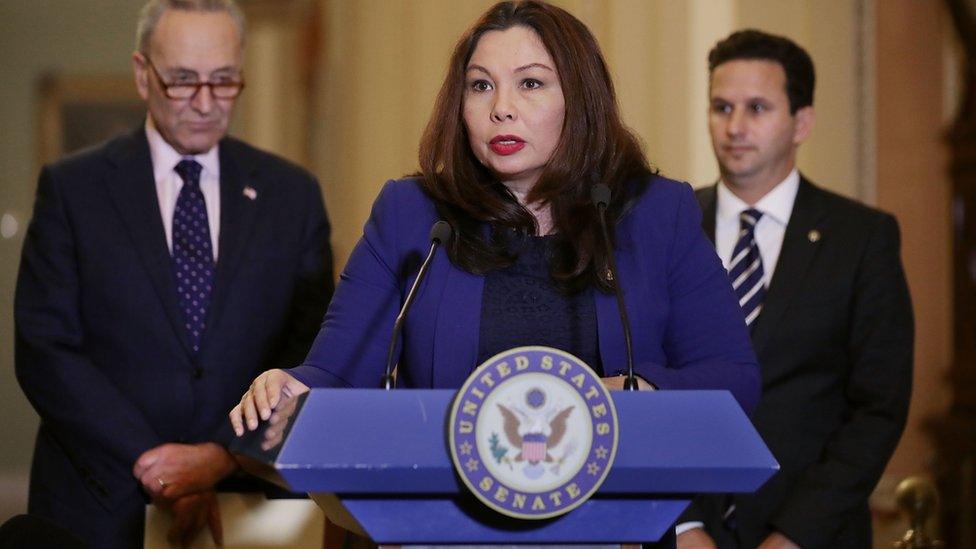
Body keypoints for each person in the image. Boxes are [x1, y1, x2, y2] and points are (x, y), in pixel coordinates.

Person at [232, 0, 760, 544]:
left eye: (530, 84)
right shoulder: (413, 215)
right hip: (444, 532)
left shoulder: (655, 213)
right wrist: (289, 388)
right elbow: (337, 374)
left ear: (580, 99)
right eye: (480, 86)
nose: (501, 108)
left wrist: (632, 389)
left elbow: (733, 377)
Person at [14, 0, 334, 546]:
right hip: (98, 499)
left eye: (225, 81)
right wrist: (152, 461)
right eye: (183, 81)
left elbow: (309, 353)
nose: (206, 103)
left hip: (246, 503)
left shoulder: (292, 196)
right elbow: (46, 349)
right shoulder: (74, 189)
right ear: (143, 75)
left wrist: (217, 456)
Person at [676, 29, 914, 549]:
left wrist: (793, 536)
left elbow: (878, 408)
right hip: (686, 532)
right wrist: (683, 524)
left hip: (814, 532)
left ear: (801, 121)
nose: (734, 127)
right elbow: (640, 382)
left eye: (757, 107)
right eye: (721, 107)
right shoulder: (668, 226)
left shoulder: (863, 238)